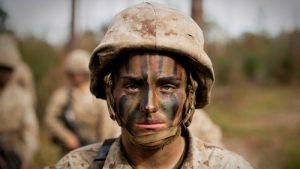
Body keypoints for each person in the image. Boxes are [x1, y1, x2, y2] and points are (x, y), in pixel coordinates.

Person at [47, 2, 253, 169]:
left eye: (167, 86)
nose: (149, 105)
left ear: (190, 94)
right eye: (132, 86)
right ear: (111, 93)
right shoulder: (74, 166)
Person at [45, 49, 120, 155]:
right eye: (73, 73)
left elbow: (107, 124)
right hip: (70, 152)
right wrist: (66, 136)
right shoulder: (62, 95)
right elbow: (51, 119)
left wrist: (104, 148)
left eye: (81, 73)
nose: (77, 77)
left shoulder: (98, 93)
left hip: (97, 148)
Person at [0, 34, 39, 168]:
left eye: (8, 70)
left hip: (15, 150)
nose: (4, 74)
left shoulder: (22, 97)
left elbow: (29, 131)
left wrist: (26, 159)